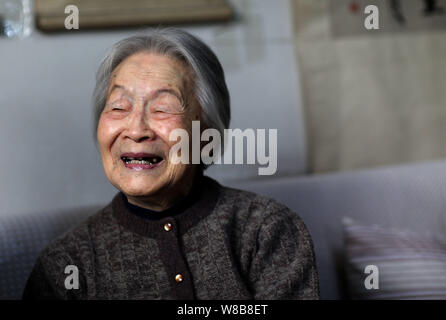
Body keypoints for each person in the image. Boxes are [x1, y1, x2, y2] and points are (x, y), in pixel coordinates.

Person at [22, 28, 319, 300]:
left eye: (163, 108)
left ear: (207, 132)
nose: (136, 130)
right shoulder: (65, 265)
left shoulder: (266, 230)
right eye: (118, 107)